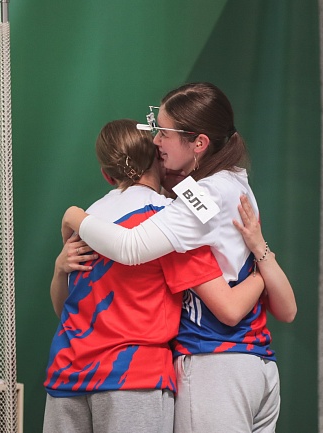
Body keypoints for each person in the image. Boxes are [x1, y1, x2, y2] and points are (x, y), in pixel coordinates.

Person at [60, 83, 297, 433]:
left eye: (164, 133)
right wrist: (263, 261)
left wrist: (74, 216)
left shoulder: (200, 200)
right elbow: (286, 311)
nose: (156, 141)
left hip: (215, 365)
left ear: (199, 143)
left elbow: (131, 247)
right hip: (256, 365)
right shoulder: (233, 179)